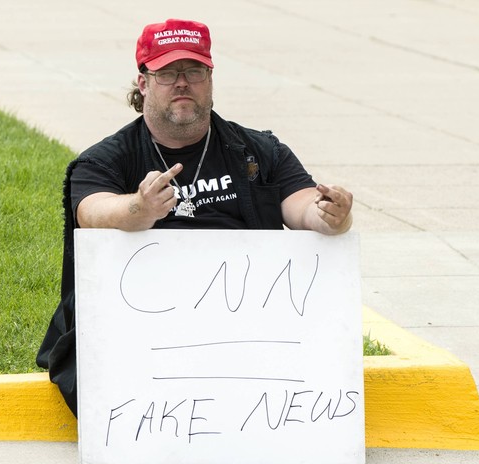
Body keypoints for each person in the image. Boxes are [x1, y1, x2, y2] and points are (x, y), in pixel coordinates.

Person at [36, 18, 353, 416]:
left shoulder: (259, 150)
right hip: (143, 330)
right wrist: (140, 207)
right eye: (167, 73)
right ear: (144, 83)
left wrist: (331, 216)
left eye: (194, 71)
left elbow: (305, 206)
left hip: (247, 327)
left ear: (210, 79)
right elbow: (93, 212)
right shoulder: (106, 159)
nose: (182, 82)